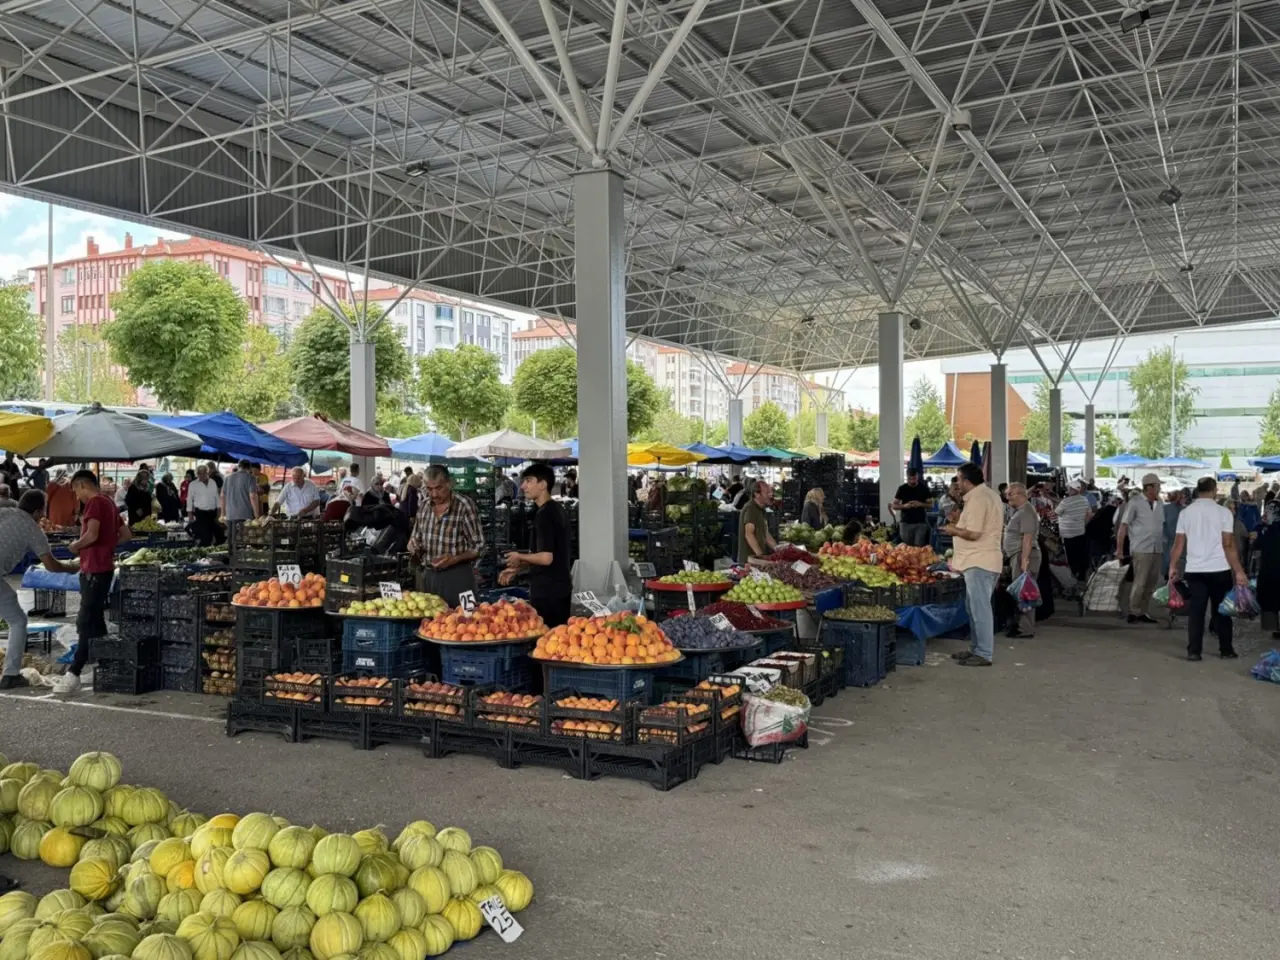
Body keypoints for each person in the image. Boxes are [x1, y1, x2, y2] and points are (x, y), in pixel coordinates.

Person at [53, 471, 131, 696]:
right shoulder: (109, 502)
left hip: (95, 569)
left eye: (75, 491)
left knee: (86, 619)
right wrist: (108, 545)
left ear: (81, 485)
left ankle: (74, 672)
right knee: (95, 620)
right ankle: (107, 664)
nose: (76, 496)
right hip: (103, 567)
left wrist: (76, 546)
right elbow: (126, 534)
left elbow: (92, 534)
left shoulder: (95, 503)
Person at [0, 491, 77, 688]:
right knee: (18, 621)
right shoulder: (33, 530)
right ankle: (10, 674)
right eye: (43, 510)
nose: (43, 515)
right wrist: (74, 567)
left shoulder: (5, 512)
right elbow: (52, 566)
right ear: (37, 511)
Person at [1168, 476, 1249, 661]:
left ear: (1198, 490)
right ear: (1214, 490)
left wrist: (1172, 566)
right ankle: (1226, 649)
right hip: (1219, 569)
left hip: (1195, 570)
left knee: (1196, 612)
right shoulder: (1224, 513)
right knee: (1222, 611)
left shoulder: (1186, 513)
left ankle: (1194, 651)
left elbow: (1178, 544)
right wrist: (1238, 570)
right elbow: (1228, 544)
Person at [941, 463, 1004, 667]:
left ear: (967, 481)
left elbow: (974, 534)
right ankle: (976, 649)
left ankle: (983, 653)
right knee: (974, 608)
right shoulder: (986, 495)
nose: (957, 484)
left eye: (958, 479)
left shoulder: (978, 499)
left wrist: (953, 530)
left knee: (980, 610)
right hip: (979, 561)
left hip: (980, 561)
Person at [500, 463, 572, 626]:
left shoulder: (544, 515)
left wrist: (519, 556)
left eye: (528, 481)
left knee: (546, 637)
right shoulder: (556, 509)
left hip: (548, 593)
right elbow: (550, 555)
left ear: (542, 484)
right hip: (559, 589)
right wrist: (519, 567)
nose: (523, 486)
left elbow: (546, 558)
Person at [409, 465, 484, 606]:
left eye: (439, 488)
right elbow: (415, 538)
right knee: (431, 619)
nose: (434, 494)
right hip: (429, 576)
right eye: (429, 489)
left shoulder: (464, 505)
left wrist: (455, 559)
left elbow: (479, 546)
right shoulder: (424, 506)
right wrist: (413, 546)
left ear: (449, 484)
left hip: (458, 577)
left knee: (465, 618)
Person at [1116, 473, 1164, 624]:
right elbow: (1123, 526)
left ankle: (1143, 611)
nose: (1160, 488)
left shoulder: (1159, 503)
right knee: (1140, 582)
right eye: (1157, 486)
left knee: (1151, 583)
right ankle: (1134, 611)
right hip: (1141, 548)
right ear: (1149, 487)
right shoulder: (1135, 502)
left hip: (1157, 548)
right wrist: (1119, 549)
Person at [1002, 483, 1041, 639]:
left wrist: (1024, 560)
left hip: (1024, 556)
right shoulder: (1021, 511)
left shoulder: (1026, 511)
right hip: (1018, 555)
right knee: (1021, 591)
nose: (1007, 497)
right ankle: (1022, 625)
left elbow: (1027, 538)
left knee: (1024, 592)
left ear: (1020, 494)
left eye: (1010, 494)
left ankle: (1025, 628)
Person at [1056, 479, 1093, 581]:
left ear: (1071, 489)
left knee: (1071, 556)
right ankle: (1081, 576)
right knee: (1080, 554)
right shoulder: (1084, 500)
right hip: (1080, 532)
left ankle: (1073, 576)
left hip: (1067, 534)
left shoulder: (1065, 501)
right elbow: (1089, 515)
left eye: (1068, 488)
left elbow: (1056, 513)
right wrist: (1082, 524)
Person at [737, 479, 777, 562]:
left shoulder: (761, 509)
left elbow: (765, 534)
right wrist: (760, 556)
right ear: (757, 494)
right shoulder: (751, 508)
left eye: (770, 492)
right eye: (767, 493)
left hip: (756, 560)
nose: (770, 495)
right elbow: (749, 534)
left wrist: (778, 549)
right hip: (749, 561)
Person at [892, 469, 933, 546]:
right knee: (906, 547)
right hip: (905, 523)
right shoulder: (902, 488)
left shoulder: (924, 488)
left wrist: (920, 504)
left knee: (918, 546)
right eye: (910, 479)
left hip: (920, 522)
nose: (912, 481)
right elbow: (894, 505)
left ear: (917, 477)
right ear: (907, 477)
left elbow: (931, 505)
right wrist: (904, 506)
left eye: (914, 478)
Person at [186, 464, 222, 546]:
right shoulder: (193, 484)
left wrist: (219, 512)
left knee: (219, 536)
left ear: (207, 473)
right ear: (197, 474)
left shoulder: (212, 482)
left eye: (203, 473)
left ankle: (212, 549)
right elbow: (189, 499)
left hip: (212, 513)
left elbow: (217, 497)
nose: (201, 475)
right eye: (199, 473)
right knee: (206, 537)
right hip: (201, 513)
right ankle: (204, 551)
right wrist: (190, 514)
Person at [221, 460, 261, 527]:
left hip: (230, 514)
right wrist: (256, 514)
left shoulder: (227, 478)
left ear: (238, 466)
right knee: (242, 533)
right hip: (245, 515)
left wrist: (222, 513)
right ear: (249, 468)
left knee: (231, 533)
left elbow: (222, 496)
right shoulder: (251, 478)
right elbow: (253, 496)